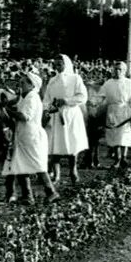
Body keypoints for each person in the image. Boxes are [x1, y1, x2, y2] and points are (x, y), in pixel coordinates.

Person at [6, 70, 58, 205]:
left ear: (32, 85)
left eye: (23, 83)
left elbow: (24, 116)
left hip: (32, 137)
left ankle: (51, 192)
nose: (20, 84)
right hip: (24, 137)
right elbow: (17, 104)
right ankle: (27, 196)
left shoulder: (32, 98)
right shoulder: (26, 96)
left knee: (38, 165)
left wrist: (8, 112)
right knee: (22, 165)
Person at [42, 54, 90, 184]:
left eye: (60, 64)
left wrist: (66, 101)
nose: (57, 67)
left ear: (66, 64)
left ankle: (73, 170)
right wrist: (47, 108)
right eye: (56, 64)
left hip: (71, 114)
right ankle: (56, 175)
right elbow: (46, 98)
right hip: (56, 115)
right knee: (55, 145)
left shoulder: (75, 78)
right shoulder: (52, 80)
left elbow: (82, 97)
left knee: (71, 143)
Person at [99, 61, 131, 170]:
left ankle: (124, 158)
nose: (117, 71)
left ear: (124, 71)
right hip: (112, 111)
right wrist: (95, 102)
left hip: (125, 111)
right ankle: (117, 158)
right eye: (115, 69)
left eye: (120, 69)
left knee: (124, 135)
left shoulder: (129, 83)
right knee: (115, 135)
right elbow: (101, 96)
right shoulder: (108, 83)